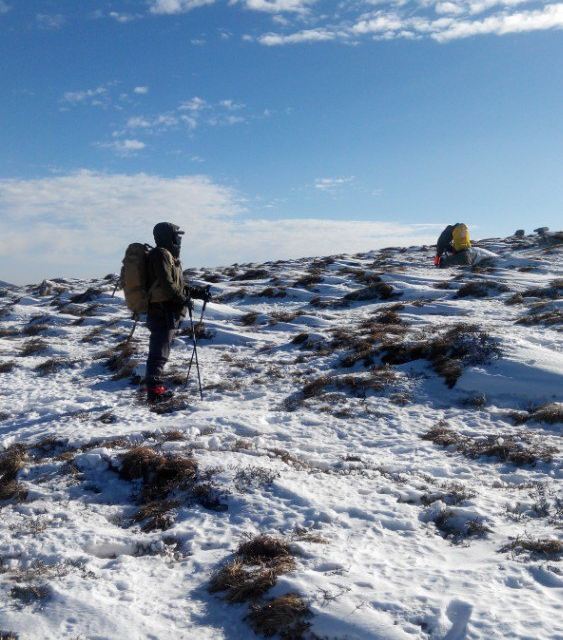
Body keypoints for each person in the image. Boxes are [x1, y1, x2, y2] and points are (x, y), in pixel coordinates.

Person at [145, 222, 211, 403]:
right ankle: (154, 393)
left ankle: (155, 389)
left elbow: (178, 285)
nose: (179, 240)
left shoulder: (168, 256)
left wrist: (197, 293)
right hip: (162, 312)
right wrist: (183, 299)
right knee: (159, 353)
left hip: (166, 311)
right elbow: (167, 284)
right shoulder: (160, 255)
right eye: (176, 236)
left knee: (161, 351)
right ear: (168, 237)